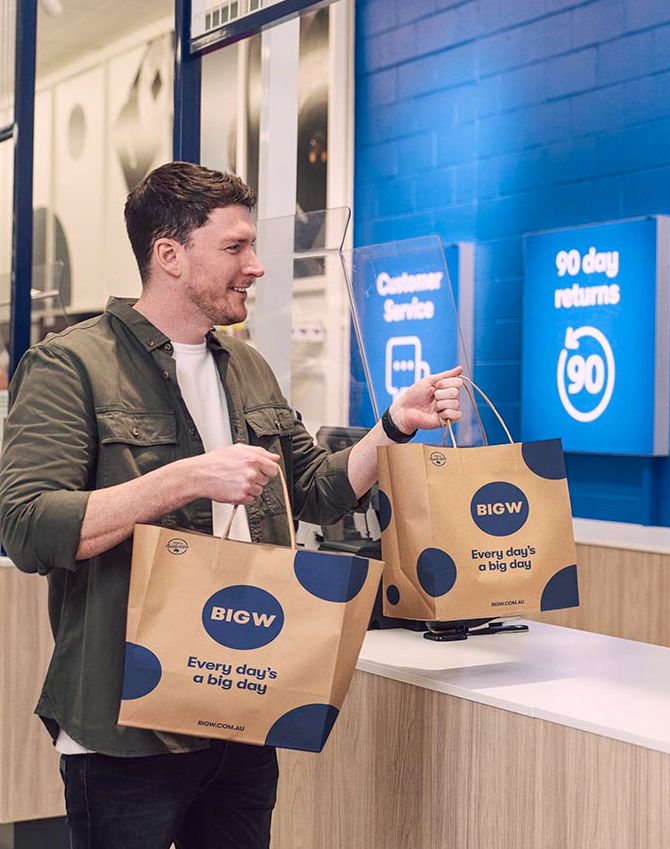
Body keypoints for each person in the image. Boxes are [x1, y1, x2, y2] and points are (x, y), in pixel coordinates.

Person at [0, 161, 463, 848]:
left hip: (242, 703)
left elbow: (315, 489)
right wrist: (184, 479)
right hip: (126, 725)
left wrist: (392, 424)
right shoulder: (71, 367)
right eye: (235, 247)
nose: (256, 265)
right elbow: (29, 527)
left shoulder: (246, 366)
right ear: (169, 255)